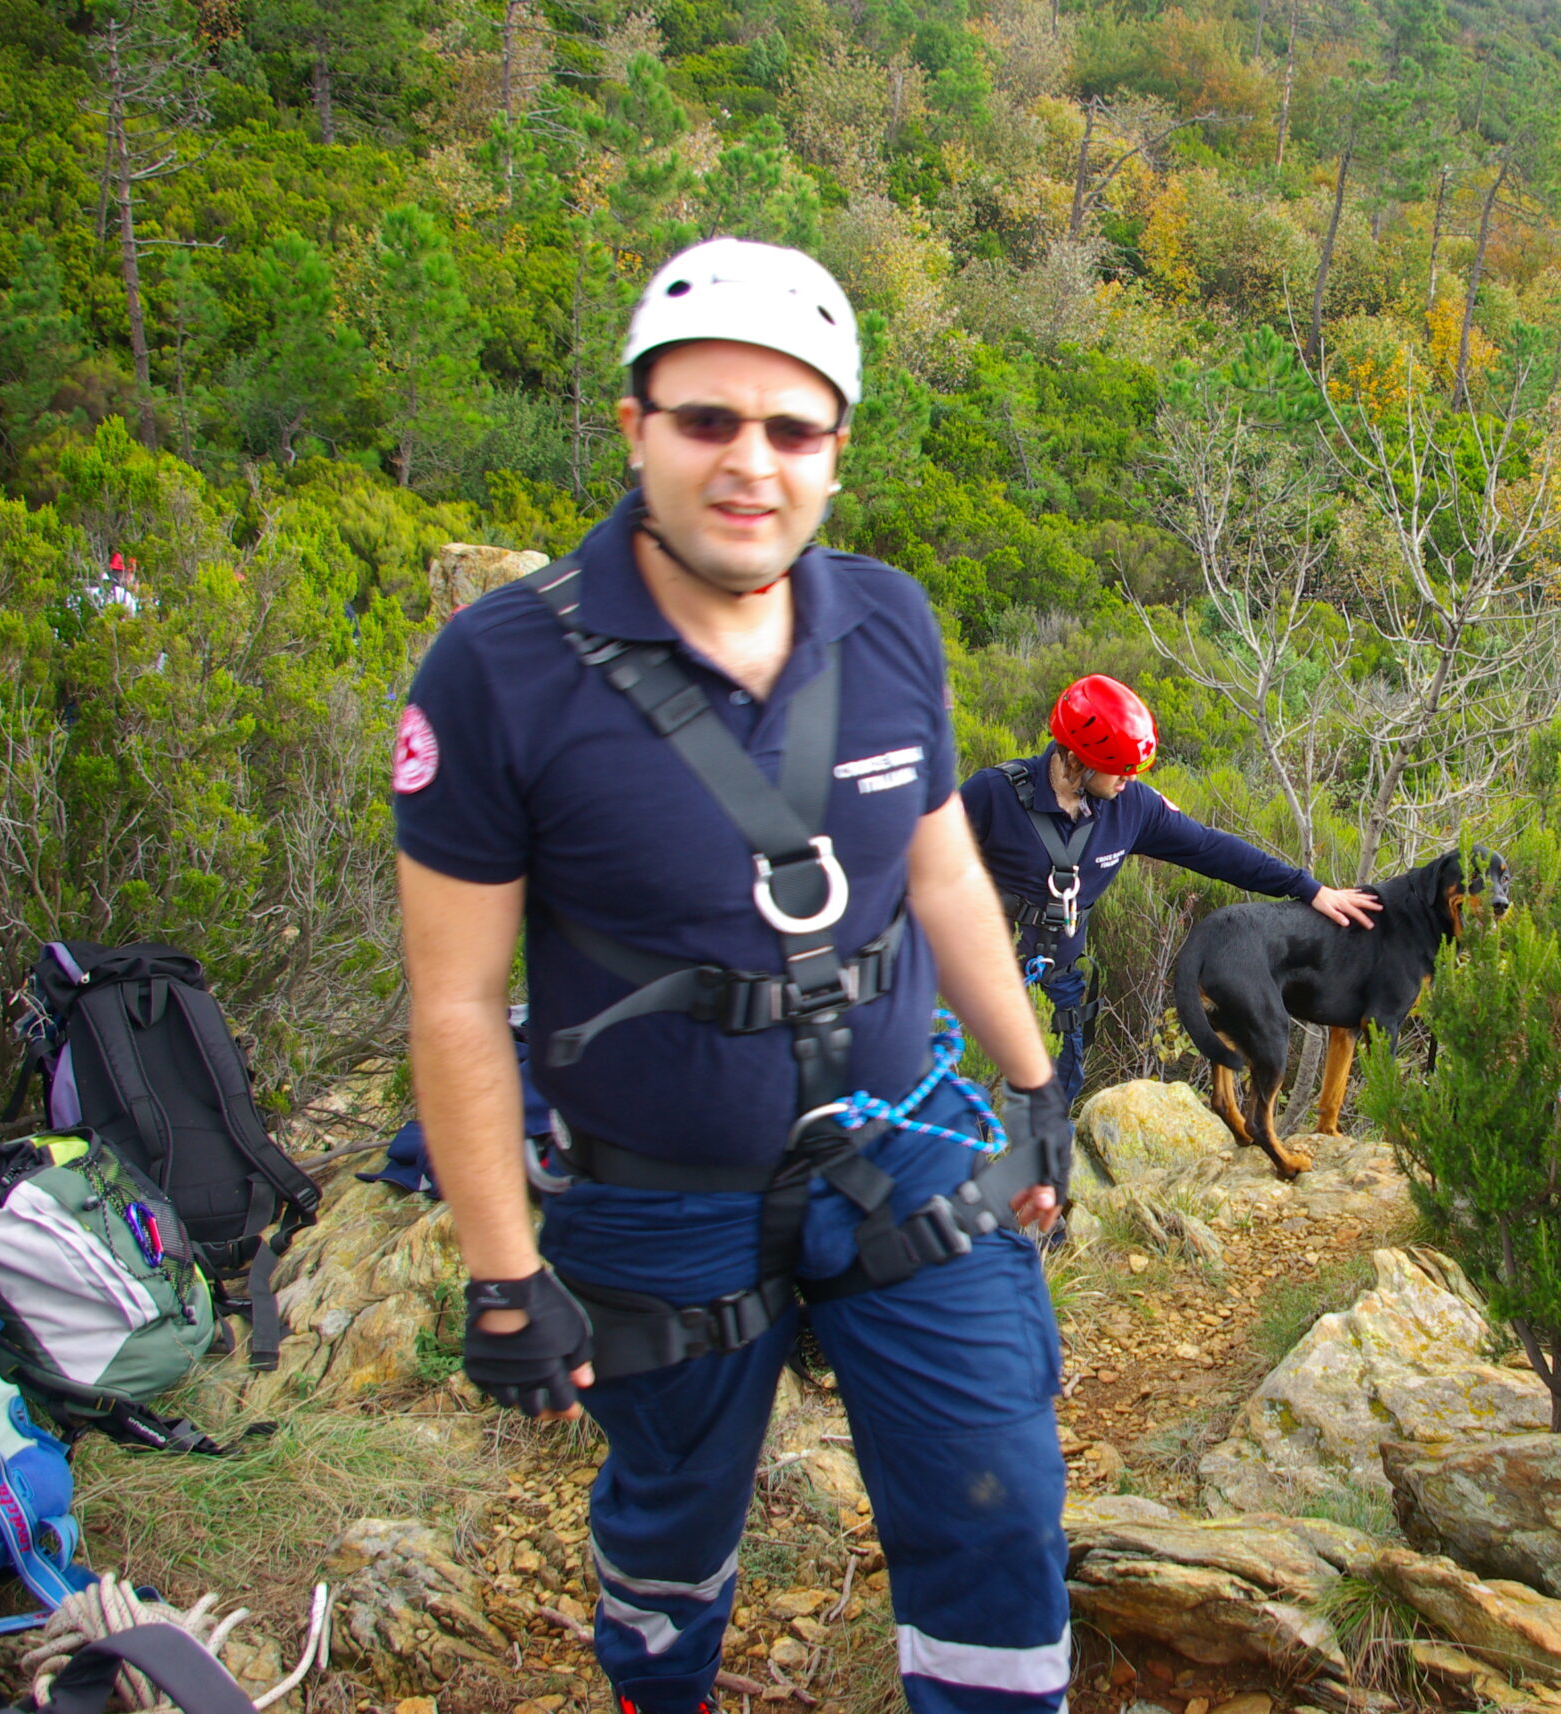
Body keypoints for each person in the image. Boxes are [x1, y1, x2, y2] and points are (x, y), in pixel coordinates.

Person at [393, 238, 1075, 1714]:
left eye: (791, 428)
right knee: (673, 1529)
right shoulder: (497, 673)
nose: (747, 462)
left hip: (901, 1144)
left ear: (837, 451)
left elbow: (944, 870)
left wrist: (1034, 1082)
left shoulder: (889, 621)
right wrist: (504, 1270)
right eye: (706, 419)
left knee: (999, 1496)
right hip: (656, 1195)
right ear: (636, 428)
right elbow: (453, 999)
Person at [959, 676, 1379, 1107]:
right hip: (976, 983)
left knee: (1047, 1118)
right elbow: (922, 873)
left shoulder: (1131, 807)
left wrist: (1307, 888)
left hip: (1060, 991)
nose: (1130, 780)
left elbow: (1211, 848)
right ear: (1075, 760)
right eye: (1121, 770)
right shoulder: (993, 795)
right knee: (965, 1115)